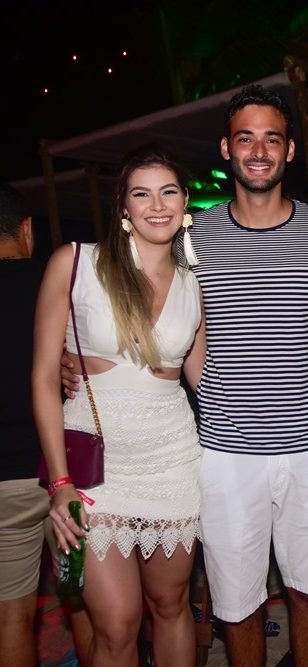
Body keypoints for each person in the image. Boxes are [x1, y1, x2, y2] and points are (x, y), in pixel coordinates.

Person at [182, 85, 308, 667]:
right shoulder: (194, 238)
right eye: (246, 138)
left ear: (289, 150)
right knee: (237, 602)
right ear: (226, 148)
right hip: (225, 453)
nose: (259, 151)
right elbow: (178, 330)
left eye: (272, 139)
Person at [33, 144, 206, 666]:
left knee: (172, 605)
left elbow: (204, 380)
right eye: (142, 194)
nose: (157, 205)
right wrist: (60, 484)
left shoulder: (195, 282)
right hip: (94, 472)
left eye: (168, 191)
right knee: (117, 623)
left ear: (185, 201)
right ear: (123, 206)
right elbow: (42, 377)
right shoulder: (76, 262)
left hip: (174, 462)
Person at [0, 185, 48, 667]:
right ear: (27, 229)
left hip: (3, 482)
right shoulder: (52, 282)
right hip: (67, 469)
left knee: (11, 616)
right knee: (88, 604)